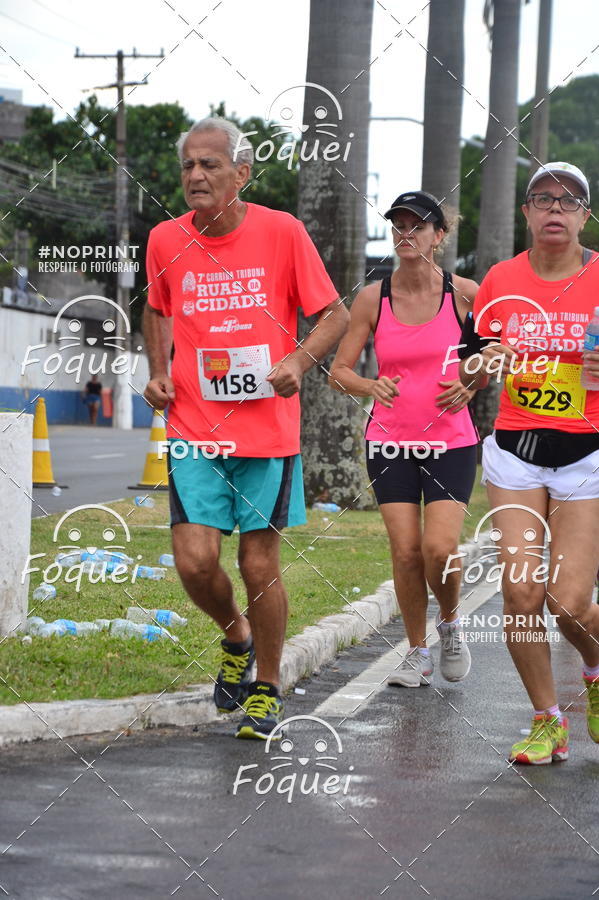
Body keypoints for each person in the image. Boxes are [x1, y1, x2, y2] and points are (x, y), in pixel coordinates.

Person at [143, 117, 348, 740]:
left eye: (210, 165)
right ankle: (236, 632)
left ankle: (266, 686)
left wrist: (297, 362)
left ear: (242, 172)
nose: (197, 176)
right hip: (195, 427)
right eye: (189, 167)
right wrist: (158, 372)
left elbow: (333, 316)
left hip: (267, 432)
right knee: (194, 560)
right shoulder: (163, 239)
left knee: (260, 564)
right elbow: (156, 308)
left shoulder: (281, 233)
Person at [459, 161, 599, 764]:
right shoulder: (500, 279)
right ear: (526, 213)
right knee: (520, 593)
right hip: (516, 452)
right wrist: (484, 363)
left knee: (568, 602)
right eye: (543, 199)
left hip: (586, 455)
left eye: (569, 202)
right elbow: (466, 366)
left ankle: (594, 668)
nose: (555, 210)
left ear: (584, 216)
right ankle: (548, 720)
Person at [330, 190, 478, 689]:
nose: (406, 234)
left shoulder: (465, 294)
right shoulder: (375, 296)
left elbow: (497, 353)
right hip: (389, 441)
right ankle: (417, 652)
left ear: (439, 235)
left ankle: (451, 622)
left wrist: (471, 383)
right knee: (406, 551)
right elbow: (339, 370)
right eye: (399, 225)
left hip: (451, 441)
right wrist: (370, 386)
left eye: (418, 226)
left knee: (440, 549)